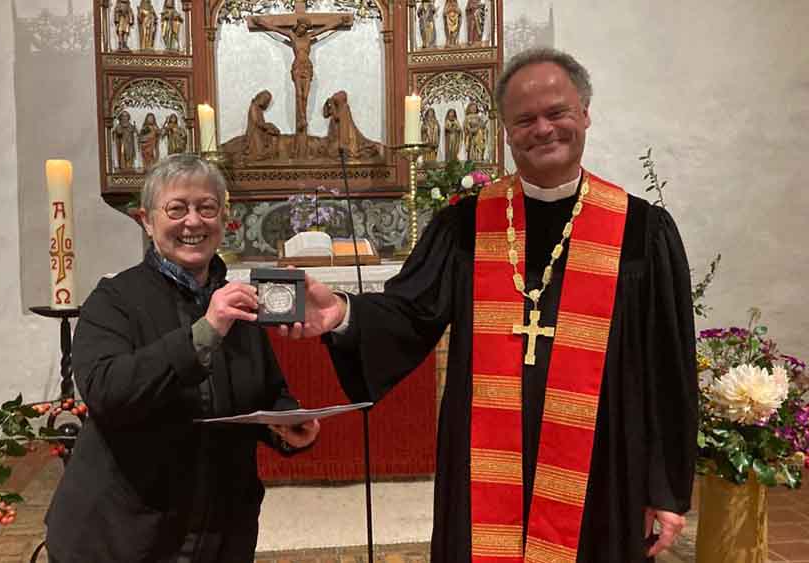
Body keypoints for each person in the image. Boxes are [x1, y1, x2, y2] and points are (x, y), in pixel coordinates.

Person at [281, 47, 697, 562]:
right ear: (505, 129)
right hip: (485, 466)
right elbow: (409, 313)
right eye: (525, 119)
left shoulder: (640, 232)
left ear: (585, 113)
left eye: (557, 113)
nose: (543, 129)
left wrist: (666, 487)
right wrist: (342, 314)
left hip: (599, 464)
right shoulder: (465, 226)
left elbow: (668, 366)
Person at [45, 153, 320, 562]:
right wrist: (205, 331)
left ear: (224, 220)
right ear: (147, 220)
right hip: (124, 535)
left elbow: (266, 392)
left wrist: (289, 424)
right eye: (177, 208)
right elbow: (108, 392)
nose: (193, 221)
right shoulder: (115, 299)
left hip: (220, 530)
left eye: (207, 208)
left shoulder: (237, 303)